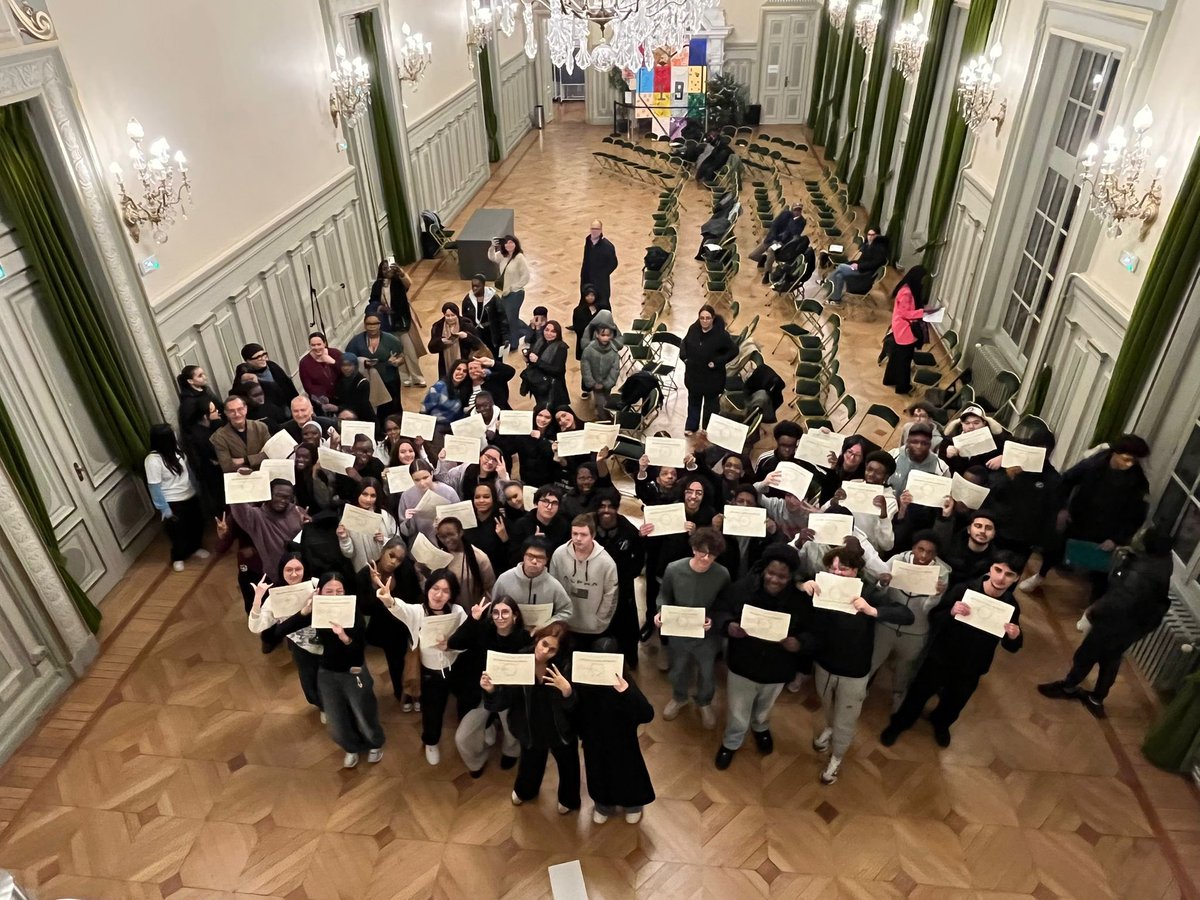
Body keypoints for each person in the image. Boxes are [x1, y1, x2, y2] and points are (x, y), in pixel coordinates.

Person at [881, 553, 1025, 748]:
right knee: (919, 693)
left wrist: (1015, 636)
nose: (1001, 578)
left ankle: (941, 724)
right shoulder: (963, 589)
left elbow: (1011, 646)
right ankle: (900, 723)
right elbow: (934, 617)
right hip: (942, 657)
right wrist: (950, 612)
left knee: (956, 701)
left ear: (1016, 578)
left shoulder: (1012, 606)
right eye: (998, 570)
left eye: (1009, 574)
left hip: (972, 666)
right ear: (990, 568)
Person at [800, 539, 913, 784]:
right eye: (833, 568)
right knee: (827, 705)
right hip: (824, 664)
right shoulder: (821, 586)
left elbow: (906, 615)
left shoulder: (868, 592)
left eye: (843, 569)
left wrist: (873, 610)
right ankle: (829, 728)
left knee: (846, 717)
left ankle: (837, 757)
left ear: (855, 571)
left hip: (854, 671)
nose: (837, 573)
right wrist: (802, 586)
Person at [1038, 529, 1172, 718]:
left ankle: (1069, 687)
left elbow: (1119, 599)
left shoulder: (1140, 573)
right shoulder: (1164, 561)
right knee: (1111, 659)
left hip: (1115, 622)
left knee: (1087, 654)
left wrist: (1093, 610)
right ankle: (1097, 698)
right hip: (1135, 624)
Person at [712, 545, 811, 769]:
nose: (774, 579)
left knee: (766, 705)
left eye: (782, 576)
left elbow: (812, 631)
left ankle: (760, 727)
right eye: (771, 573)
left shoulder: (800, 600)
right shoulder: (742, 588)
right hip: (743, 663)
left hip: (778, 666)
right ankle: (732, 741)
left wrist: (800, 643)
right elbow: (720, 609)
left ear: (791, 577)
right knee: (738, 709)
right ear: (763, 569)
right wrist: (728, 625)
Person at [1023, 434, 1151, 596]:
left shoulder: (1138, 482)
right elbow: (1066, 481)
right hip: (1079, 517)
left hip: (1108, 529)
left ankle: (1094, 606)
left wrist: (1116, 539)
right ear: (1115, 453)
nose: (1129, 464)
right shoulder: (1093, 464)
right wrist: (1062, 509)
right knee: (1054, 548)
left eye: (1134, 461)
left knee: (1102, 573)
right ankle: (1040, 576)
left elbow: (1136, 516)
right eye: (1126, 459)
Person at [376, 568, 472, 765]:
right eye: (435, 588)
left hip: (455, 668)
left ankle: (471, 733)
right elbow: (401, 608)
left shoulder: (457, 612)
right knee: (432, 711)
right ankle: (431, 742)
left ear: (452, 594)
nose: (439, 595)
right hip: (430, 673)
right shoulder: (418, 611)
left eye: (445, 591)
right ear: (428, 588)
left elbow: (466, 641)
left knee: (465, 701)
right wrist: (388, 600)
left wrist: (451, 645)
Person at [483, 621, 581, 812]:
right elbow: (505, 700)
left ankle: (568, 799)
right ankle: (526, 791)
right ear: (537, 639)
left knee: (568, 765)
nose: (545, 651)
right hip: (529, 724)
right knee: (530, 762)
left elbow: (576, 707)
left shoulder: (566, 666)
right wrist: (492, 690)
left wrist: (567, 692)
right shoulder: (520, 660)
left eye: (552, 650)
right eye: (544, 644)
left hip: (560, 728)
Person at [308, 572, 386, 768]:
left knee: (364, 712)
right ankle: (351, 747)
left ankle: (375, 743)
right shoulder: (314, 611)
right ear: (320, 592)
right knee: (335, 719)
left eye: (339, 591)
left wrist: (344, 637)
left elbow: (358, 651)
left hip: (353, 669)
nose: (334, 595)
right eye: (329, 591)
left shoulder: (353, 611)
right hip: (327, 671)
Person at [655, 528, 731, 729]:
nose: (705, 558)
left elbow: (724, 604)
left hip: (707, 634)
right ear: (693, 549)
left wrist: (713, 619)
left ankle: (704, 702)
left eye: (711, 555)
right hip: (679, 630)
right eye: (702, 552)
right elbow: (664, 596)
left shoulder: (722, 574)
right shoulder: (673, 569)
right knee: (679, 667)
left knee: (707, 671)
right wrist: (661, 612)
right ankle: (679, 697)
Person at [575, 635, 655, 824]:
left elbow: (647, 714)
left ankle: (633, 804)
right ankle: (603, 804)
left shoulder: (625, 683)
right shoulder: (583, 683)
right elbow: (576, 711)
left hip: (623, 742)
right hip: (594, 741)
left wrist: (627, 692)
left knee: (627, 772)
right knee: (597, 773)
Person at [449, 596, 530, 776]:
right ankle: (476, 761)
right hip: (480, 693)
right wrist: (473, 619)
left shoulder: (524, 638)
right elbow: (454, 643)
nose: (500, 617)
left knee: (512, 726)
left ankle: (511, 751)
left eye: (505, 612)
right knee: (462, 736)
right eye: (495, 612)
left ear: (515, 615)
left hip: (510, 695)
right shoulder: (484, 630)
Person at [870, 530, 950, 711]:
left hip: (916, 630)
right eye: (920, 549)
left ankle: (898, 695)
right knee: (873, 660)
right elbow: (878, 595)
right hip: (887, 624)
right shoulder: (896, 561)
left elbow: (927, 609)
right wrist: (883, 583)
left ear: (936, 555)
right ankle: (861, 690)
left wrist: (936, 595)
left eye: (930, 552)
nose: (924, 556)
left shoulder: (941, 573)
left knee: (905, 668)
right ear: (913, 548)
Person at [248, 553, 322, 719]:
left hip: (327, 640)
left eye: (298, 569)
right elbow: (256, 626)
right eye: (289, 570)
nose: (294, 574)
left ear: (305, 569)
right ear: (282, 570)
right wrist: (257, 599)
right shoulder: (276, 596)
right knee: (309, 680)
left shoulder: (316, 584)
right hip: (301, 645)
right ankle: (322, 706)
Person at [593, 489, 648, 667]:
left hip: (622, 585)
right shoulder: (590, 526)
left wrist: (627, 576)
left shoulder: (628, 529)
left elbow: (639, 557)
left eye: (610, 506)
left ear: (617, 508)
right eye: (602, 506)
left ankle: (630, 658)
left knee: (626, 624)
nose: (606, 510)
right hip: (595, 586)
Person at [144, 423, 208, 572]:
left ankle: (196, 548)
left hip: (190, 494)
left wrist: (197, 490)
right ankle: (178, 557)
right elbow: (154, 487)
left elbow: (189, 474)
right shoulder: (152, 460)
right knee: (178, 532)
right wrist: (164, 509)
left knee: (197, 524)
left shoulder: (178, 452)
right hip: (173, 501)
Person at [550, 515, 619, 650]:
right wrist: (557, 617)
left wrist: (599, 621)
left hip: (594, 627)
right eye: (575, 534)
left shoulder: (607, 562)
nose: (578, 538)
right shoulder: (559, 555)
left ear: (593, 535)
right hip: (565, 624)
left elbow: (611, 595)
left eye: (583, 534)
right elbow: (552, 587)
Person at [680, 305, 736, 435]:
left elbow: (733, 351)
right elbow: (684, 342)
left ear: (713, 318)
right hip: (694, 376)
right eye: (702, 318)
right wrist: (684, 357)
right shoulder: (693, 329)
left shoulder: (721, 335)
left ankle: (707, 427)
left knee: (710, 405)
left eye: (708, 318)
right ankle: (691, 426)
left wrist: (717, 362)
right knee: (693, 402)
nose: (704, 321)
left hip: (712, 378)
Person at [369, 262, 425, 386]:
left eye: (389, 268)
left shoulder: (398, 282)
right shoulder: (377, 285)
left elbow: (408, 284)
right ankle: (404, 378)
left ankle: (417, 377)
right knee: (396, 352)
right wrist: (381, 308)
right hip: (386, 323)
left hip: (401, 321)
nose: (387, 271)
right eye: (384, 269)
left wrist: (401, 273)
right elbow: (372, 301)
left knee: (410, 351)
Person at [492, 536, 573, 623]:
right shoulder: (504, 579)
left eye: (540, 557)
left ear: (546, 560)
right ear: (523, 556)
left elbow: (566, 610)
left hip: (542, 630)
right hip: (511, 630)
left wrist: (549, 624)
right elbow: (492, 609)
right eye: (530, 556)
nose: (534, 561)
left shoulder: (553, 585)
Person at [344, 312, 407, 422]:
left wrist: (397, 362)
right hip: (368, 382)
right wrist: (362, 363)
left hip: (389, 380)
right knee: (374, 412)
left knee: (393, 409)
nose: (372, 327)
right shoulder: (356, 342)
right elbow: (349, 360)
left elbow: (402, 357)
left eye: (375, 323)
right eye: (369, 324)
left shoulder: (391, 340)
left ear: (380, 324)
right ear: (365, 325)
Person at [882, 266, 931, 395]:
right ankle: (902, 387)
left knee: (896, 357)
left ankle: (890, 379)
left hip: (900, 327)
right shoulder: (907, 293)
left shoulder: (906, 288)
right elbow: (906, 313)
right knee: (904, 360)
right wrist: (924, 313)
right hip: (905, 329)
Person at [336, 478, 399, 571]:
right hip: (364, 570)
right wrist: (344, 538)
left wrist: (384, 540)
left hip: (387, 567)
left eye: (373, 496)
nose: (368, 499)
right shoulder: (348, 518)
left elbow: (398, 543)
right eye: (364, 494)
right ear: (358, 493)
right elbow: (349, 553)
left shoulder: (384, 515)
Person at [429, 517, 495, 607]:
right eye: (443, 537)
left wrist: (480, 610)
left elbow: (490, 589)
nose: (447, 540)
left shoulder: (479, 557)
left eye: (451, 534)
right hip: (447, 611)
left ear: (460, 533)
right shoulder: (439, 557)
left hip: (472, 611)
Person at [180, 395, 225, 513]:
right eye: (214, 411)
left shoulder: (209, 427)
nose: (218, 412)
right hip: (214, 476)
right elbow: (217, 454)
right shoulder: (199, 435)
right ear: (205, 416)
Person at [488, 235, 532, 353]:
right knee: (507, 317)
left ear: (516, 244)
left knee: (511, 318)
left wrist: (514, 287)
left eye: (511, 242)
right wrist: (492, 246)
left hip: (516, 294)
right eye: (506, 243)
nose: (509, 245)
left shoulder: (519, 257)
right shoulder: (503, 255)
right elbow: (492, 258)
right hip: (505, 293)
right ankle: (525, 331)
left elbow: (526, 276)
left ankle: (514, 343)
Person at [825, 227, 890, 305]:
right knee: (839, 276)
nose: (870, 237)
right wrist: (855, 264)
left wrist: (859, 266)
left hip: (864, 273)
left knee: (841, 267)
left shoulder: (879, 248)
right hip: (860, 269)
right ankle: (836, 299)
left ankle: (826, 281)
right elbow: (862, 260)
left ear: (877, 235)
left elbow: (874, 263)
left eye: (873, 235)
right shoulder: (868, 245)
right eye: (869, 234)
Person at [428, 302, 485, 382]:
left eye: (453, 315)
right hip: (445, 365)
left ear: (457, 314)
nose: (450, 318)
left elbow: (478, 344)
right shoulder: (438, 326)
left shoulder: (466, 325)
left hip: (464, 363)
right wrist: (441, 341)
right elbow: (431, 348)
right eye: (447, 316)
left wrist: (466, 336)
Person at [748, 203, 806, 281]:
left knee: (771, 250)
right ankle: (765, 259)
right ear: (792, 209)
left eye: (799, 210)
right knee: (752, 255)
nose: (797, 212)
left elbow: (795, 233)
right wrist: (773, 238)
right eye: (795, 210)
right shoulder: (785, 214)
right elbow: (774, 225)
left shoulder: (802, 221)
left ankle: (767, 273)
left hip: (782, 243)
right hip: (771, 239)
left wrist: (792, 221)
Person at [212, 395, 271, 472]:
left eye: (240, 409)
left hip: (266, 472)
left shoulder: (260, 427)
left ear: (246, 409)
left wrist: (245, 460)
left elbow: (271, 454)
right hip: (240, 476)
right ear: (226, 413)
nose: (237, 414)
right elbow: (226, 466)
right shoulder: (219, 436)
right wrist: (259, 457)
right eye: (232, 411)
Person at [234, 342, 299, 409]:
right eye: (258, 357)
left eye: (264, 354)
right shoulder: (246, 376)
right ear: (248, 361)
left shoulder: (272, 366)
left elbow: (288, 385)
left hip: (286, 406)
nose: (263, 358)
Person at [888, 422, 949, 492]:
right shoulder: (893, 455)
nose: (919, 446)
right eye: (914, 442)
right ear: (907, 442)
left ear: (930, 444)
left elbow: (944, 492)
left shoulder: (941, 467)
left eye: (924, 443)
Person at [571, 285, 609, 399]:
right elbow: (577, 327)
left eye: (592, 295)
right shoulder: (578, 310)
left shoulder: (602, 310)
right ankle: (586, 389)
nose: (590, 297)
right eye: (587, 295)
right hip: (585, 344)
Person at [523, 319, 569, 409]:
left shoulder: (561, 347)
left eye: (553, 331)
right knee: (541, 405)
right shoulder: (540, 341)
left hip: (552, 386)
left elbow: (557, 370)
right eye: (546, 330)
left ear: (558, 333)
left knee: (552, 408)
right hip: (538, 383)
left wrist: (538, 361)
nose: (549, 333)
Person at [462, 273, 510, 359]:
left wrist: (506, 337)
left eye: (477, 286)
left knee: (494, 358)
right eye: (473, 286)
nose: (474, 288)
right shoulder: (468, 300)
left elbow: (502, 319)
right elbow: (465, 319)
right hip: (476, 334)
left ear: (483, 285)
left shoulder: (493, 298)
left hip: (492, 334)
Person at [581, 323, 621, 416]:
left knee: (605, 398)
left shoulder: (614, 351)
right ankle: (603, 418)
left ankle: (600, 409)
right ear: (597, 335)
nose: (605, 338)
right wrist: (592, 383)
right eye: (603, 335)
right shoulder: (589, 350)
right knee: (601, 404)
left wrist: (607, 383)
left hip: (607, 384)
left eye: (608, 335)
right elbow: (585, 367)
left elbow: (615, 369)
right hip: (595, 383)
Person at [298, 332, 345, 408]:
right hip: (322, 401)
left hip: (343, 396)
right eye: (313, 345)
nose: (316, 348)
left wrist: (333, 362)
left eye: (319, 344)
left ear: (324, 343)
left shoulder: (335, 353)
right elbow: (308, 387)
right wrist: (325, 397)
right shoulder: (304, 363)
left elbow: (347, 372)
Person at [579, 219, 618, 306]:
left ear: (601, 230)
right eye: (592, 229)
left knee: (601, 303)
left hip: (601, 282)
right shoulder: (588, 241)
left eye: (596, 229)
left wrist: (603, 274)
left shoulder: (607, 246)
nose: (594, 231)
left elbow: (613, 263)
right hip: (587, 279)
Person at [330, 352, 375, 422]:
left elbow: (361, 406)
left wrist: (338, 408)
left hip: (363, 420)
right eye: (343, 365)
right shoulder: (340, 380)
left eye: (349, 365)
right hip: (344, 418)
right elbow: (338, 398)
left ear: (355, 366)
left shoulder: (362, 382)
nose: (346, 368)